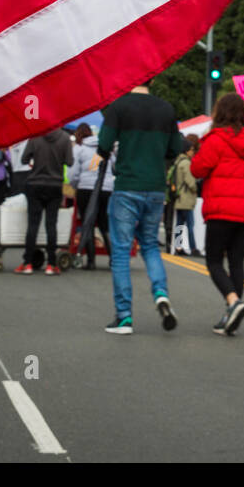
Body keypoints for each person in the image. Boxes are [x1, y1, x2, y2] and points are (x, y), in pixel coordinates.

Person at [98, 84, 186, 335]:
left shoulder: (118, 107)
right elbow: (174, 149)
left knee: (122, 251)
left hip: (127, 186)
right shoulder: (166, 109)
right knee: (149, 245)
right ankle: (161, 293)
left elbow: (103, 145)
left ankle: (124, 316)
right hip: (156, 188)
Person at [190, 94, 244, 334]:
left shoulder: (216, 140)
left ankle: (233, 301)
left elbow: (197, 169)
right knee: (236, 261)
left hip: (222, 209)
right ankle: (231, 314)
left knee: (214, 260)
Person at [16, 125, 72, 275]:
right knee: (51, 224)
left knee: (33, 224)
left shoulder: (35, 136)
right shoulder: (65, 138)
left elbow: (24, 159)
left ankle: (27, 263)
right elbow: (70, 161)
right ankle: (51, 264)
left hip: (35, 184)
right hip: (55, 184)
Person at [70, 122, 112, 269]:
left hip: (86, 188)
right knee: (103, 223)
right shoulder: (105, 147)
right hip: (106, 188)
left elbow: (73, 173)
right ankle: (114, 258)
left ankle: (91, 260)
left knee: (87, 222)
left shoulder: (79, 149)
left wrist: (74, 185)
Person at [170, 135, 202, 256]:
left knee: (179, 224)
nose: (193, 152)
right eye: (192, 150)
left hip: (179, 197)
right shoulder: (186, 163)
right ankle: (193, 248)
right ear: (187, 150)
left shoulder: (178, 162)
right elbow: (190, 182)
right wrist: (195, 187)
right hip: (187, 198)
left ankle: (178, 247)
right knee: (190, 224)